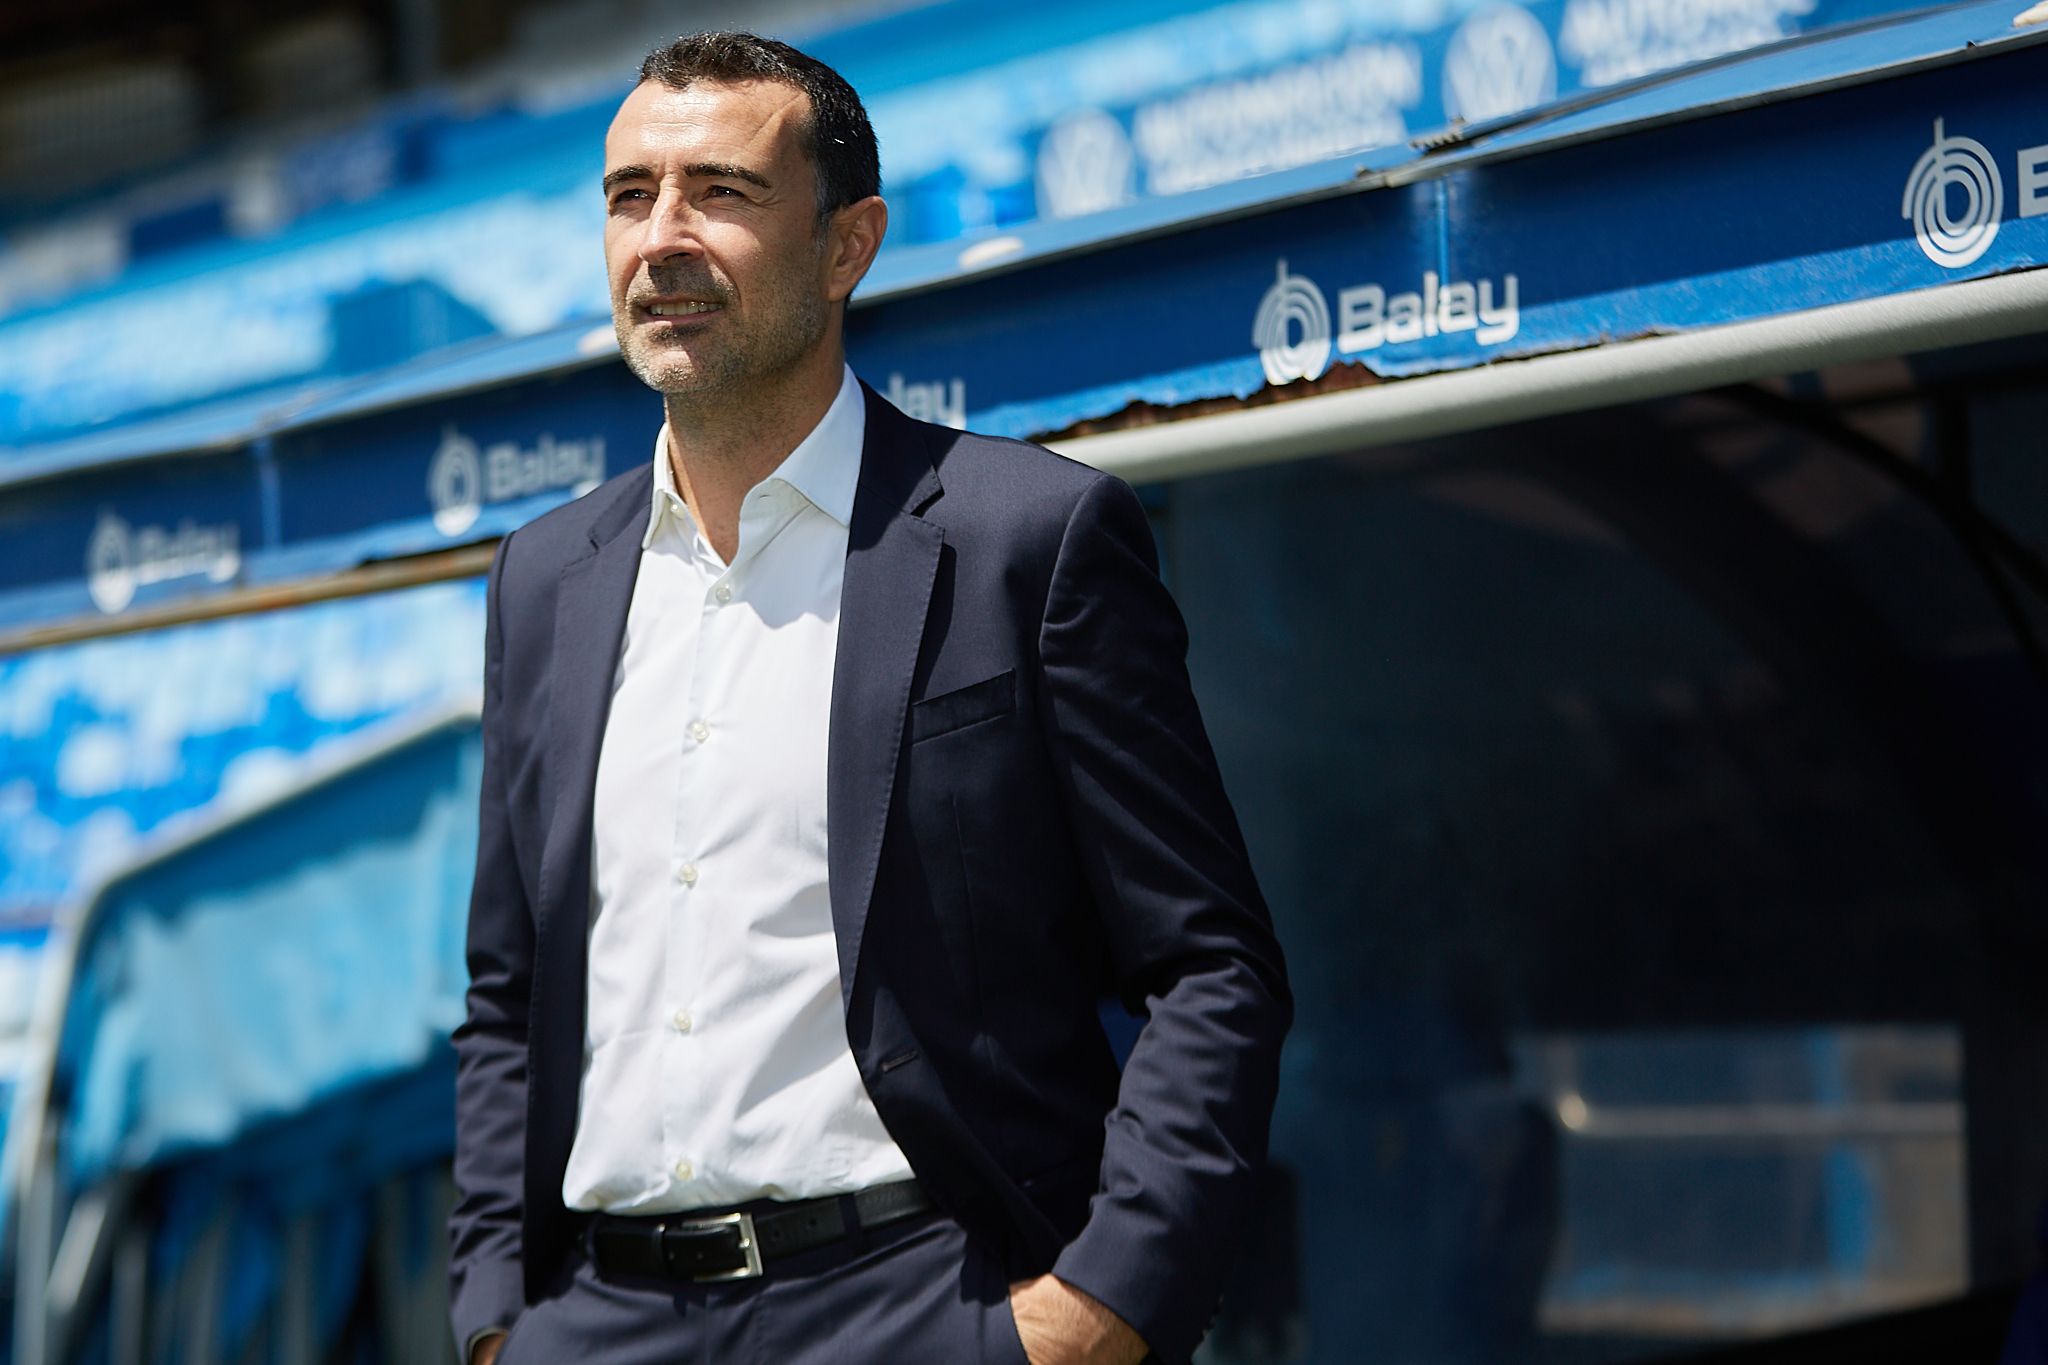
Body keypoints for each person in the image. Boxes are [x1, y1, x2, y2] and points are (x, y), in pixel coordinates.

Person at [447, 31, 1291, 1365]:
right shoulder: (544, 581)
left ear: (849, 246)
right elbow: (510, 994)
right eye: (628, 197)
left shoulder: (1030, 537)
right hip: (596, 1323)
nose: (662, 239)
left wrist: (1103, 1310)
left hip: (920, 1303)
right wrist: (497, 1318)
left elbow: (1211, 965)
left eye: (719, 191)